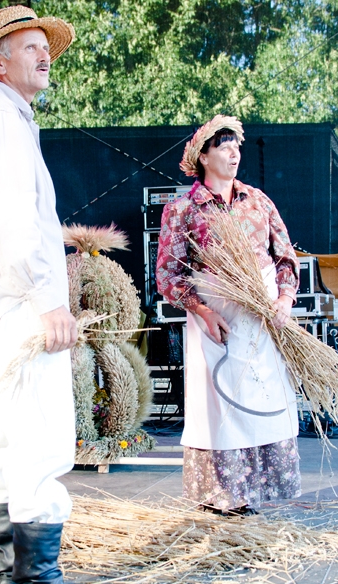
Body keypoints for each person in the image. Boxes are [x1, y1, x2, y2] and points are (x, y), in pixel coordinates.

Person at [0, 5, 109, 584]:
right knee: (40, 437)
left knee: (9, 439)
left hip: (3, 305)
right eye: (31, 46)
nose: (45, 55)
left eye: (47, 46)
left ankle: (7, 579)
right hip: (20, 305)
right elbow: (13, 221)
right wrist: (48, 299)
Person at [156, 114, 301, 516]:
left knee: (262, 397)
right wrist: (202, 310)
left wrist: (284, 300)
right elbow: (168, 275)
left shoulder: (258, 201)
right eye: (224, 146)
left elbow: (285, 257)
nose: (234, 153)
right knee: (220, 407)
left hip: (261, 320)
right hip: (215, 322)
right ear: (203, 157)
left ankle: (256, 490)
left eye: (237, 146)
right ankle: (224, 495)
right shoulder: (183, 209)